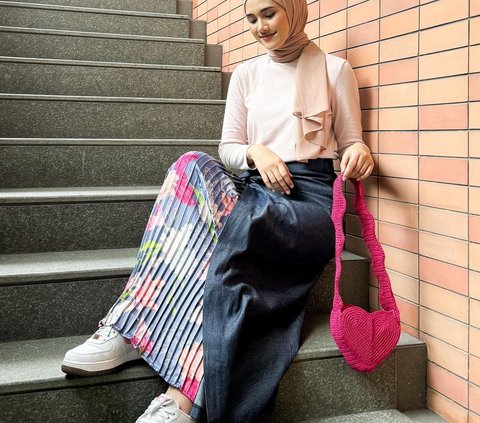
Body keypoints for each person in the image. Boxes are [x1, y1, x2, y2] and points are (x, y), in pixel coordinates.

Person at [61, 0, 374, 421]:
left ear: (294, 11)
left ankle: (180, 394)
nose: (259, 27)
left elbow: (352, 140)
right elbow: (228, 148)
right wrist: (256, 153)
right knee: (191, 164)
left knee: (225, 245)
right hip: (255, 186)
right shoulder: (246, 74)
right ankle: (129, 325)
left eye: (269, 14)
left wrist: (359, 153)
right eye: (251, 19)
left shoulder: (335, 69)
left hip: (309, 204)